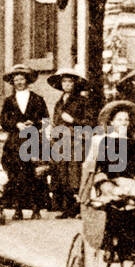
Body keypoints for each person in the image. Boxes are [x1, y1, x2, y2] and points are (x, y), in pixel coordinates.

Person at [0, 64, 48, 220]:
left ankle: (36, 208)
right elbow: (3, 120)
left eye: (22, 79)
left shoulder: (37, 99)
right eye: (16, 80)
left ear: (27, 80)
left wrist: (34, 124)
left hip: (33, 141)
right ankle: (17, 208)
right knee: (16, 175)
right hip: (15, 142)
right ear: (13, 83)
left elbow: (45, 120)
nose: (19, 82)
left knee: (34, 176)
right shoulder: (9, 101)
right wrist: (16, 124)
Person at [48, 66, 94, 218]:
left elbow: (90, 122)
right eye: (64, 82)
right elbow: (55, 120)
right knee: (62, 173)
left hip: (75, 140)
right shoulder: (59, 102)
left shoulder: (82, 101)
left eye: (70, 82)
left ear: (75, 84)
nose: (67, 85)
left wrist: (73, 120)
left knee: (74, 173)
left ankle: (77, 208)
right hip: (60, 141)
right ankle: (65, 208)